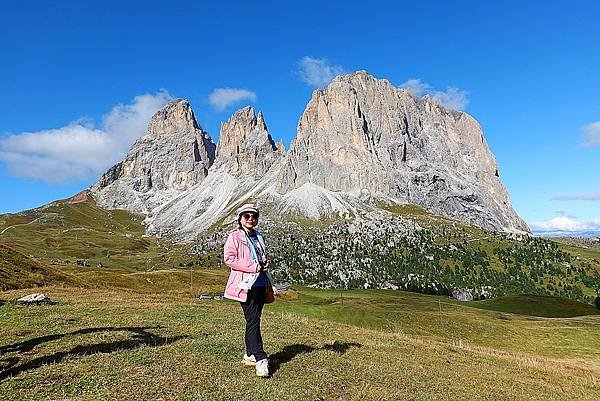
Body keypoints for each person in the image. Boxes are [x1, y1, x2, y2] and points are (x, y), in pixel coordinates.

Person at [223, 203, 275, 378]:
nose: (251, 219)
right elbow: (229, 259)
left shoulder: (258, 236)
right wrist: (252, 266)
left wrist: (263, 262)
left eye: (254, 216)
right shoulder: (235, 236)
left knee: (253, 320)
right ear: (240, 218)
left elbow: (258, 256)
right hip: (245, 285)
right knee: (253, 320)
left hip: (260, 283)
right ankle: (261, 358)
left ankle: (249, 354)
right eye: (247, 216)